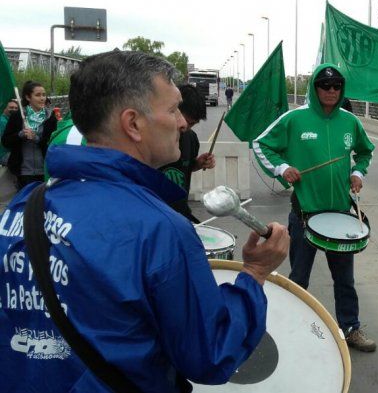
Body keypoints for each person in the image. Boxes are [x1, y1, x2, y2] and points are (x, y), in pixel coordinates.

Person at [0, 51, 289, 392]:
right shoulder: (159, 229)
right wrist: (254, 274)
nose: (182, 122)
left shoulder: (23, 207)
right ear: (133, 123)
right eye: (172, 109)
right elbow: (210, 355)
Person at [254, 64, 377, 352]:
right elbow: (261, 145)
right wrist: (282, 167)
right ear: (315, 87)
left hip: (339, 216)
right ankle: (290, 328)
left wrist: (358, 172)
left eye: (336, 86)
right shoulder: (295, 119)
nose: (331, 91)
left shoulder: (350, 121)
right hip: (304, 215)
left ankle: (350, 328)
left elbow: (365, 151)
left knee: (345, 281)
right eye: (325, 85)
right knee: (298, 278)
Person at [159, 84, 215, 222]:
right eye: (186, 122)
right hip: (156, 214)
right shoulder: (154, 138)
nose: (185, 127)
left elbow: (186, 168)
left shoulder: (191, 138)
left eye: (192, 124)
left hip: (180, 213)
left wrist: (198, 163)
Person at [1, 80, 58, 191]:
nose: (42, 98)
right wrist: (20, 134)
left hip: (45, 170)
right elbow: (5, 141)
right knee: (26, 204)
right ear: (28, 97)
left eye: (44, 95)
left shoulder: (51, 118)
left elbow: (53, 144)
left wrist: (36, 139)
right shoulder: (18, 116)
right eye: (38, 95)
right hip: (23, 171)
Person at [0, 99, 20, 165]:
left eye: (16, 108)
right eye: (11, 107)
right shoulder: (2, 122)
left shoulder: (11, 120)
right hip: (4, 155)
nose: (14, 110)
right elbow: (6, 142)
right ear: (5, 108)